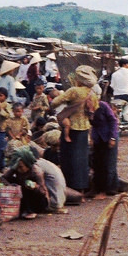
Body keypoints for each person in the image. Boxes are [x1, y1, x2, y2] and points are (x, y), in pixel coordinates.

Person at [51, 65, 98, 194]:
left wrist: (57, 99)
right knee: (82, 158)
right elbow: (95, 109)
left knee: (69, 158)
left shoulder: (74, 91)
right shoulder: (92, 93)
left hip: (72, 129)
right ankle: (82, 187)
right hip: (85, 129)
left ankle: (71, 187)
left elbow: (55, 102)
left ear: (79, 79)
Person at [3, 145, 67, 218]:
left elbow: (43, 192)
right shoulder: (16, 168)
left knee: (27, 185)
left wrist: (35, 187)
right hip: (23, 194)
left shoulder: (36, 172)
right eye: (17, 167)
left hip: (39, 201)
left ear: (27, 164)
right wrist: (11, 187)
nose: (18, 169)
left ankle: (31, 211)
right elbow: (4, 178)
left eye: (21, 167)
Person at [90, 100, 120, 198]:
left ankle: (105, 190)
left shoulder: (103, 106)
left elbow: (113, 121)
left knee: (108, 164)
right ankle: (97, 189)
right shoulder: (87, 108)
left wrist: (112, 137)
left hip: (108, 137)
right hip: (98, 138)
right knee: (97, 164)